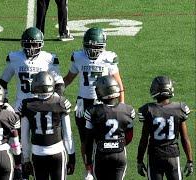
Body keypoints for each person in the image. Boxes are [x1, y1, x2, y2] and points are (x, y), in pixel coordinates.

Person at [63, 27, 125, 178]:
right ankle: (88, 169)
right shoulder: (78, 57)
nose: (92, 51)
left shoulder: (108, 58)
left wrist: (121, 105)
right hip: (83, 103)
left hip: (102, 102)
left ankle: (99, 165)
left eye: (96, 47)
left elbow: (119, 85)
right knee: (85, 139)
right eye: (89, 47)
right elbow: (69, 78)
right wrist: (56, 91)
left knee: (101, 138)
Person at [21, 71, 75, 180]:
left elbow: (24, 137)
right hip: (57, 152)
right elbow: (68, 134)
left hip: (37, 153)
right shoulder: (61, 103)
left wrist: (26, 158)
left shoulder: (27, 105)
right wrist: (72, 156)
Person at [136, 76, 193, 179]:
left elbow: (144, 140)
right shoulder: (179, 109)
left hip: (155, 156)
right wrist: (190, 160)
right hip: (173, 156)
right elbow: (185, 138)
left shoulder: (148, 110)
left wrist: (139, 161)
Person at [0, 27, 65, 113]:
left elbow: (59, 84)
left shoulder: (48, 59)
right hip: (21, 105)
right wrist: (5, 102)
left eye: (34, 45)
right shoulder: (15, 58)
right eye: (28, 45)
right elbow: (2, 82)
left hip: (42, 104)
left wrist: (54, 100)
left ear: (40, 44)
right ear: (23, 44)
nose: (31, 48)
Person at [84, 75, 135, 180]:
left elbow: (88, 140)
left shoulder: (92, 111)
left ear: (100, 92)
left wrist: (88, 162)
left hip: (101, 154)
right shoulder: (128, 110)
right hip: (119, 154)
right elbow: (129, 137)